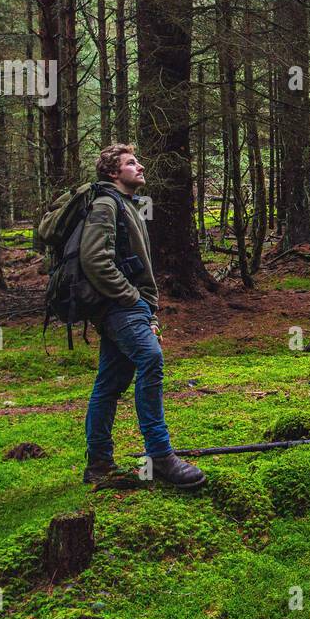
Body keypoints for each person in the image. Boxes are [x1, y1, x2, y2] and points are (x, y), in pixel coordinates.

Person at [79, 143, 206, 489]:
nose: (140, 167)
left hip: (128, 305)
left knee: (109, 383)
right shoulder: (106, 204)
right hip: (120, 306)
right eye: (131, 163)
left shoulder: (126, 205)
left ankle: (99, 464)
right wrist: (132, 299)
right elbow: (94, 260)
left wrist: (147, 310)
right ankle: (160, 456)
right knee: (151, 359)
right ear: (112, 172)